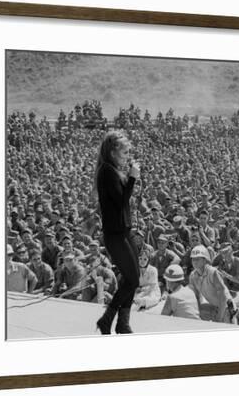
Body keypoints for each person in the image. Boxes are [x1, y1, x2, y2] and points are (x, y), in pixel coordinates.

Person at [94, 131, 141, 334]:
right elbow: (122, 200)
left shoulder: (113, 170)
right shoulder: (106, 171)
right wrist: (132, 178)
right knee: (132, 279)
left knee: (132, 278)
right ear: (113, 151)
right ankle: (108, 318)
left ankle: (123, 323)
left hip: (124, 231)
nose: (127, 155)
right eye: (124, 151)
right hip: (115, 234)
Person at [188, 245, 235, 323]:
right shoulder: (193, 276)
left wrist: (219, 317)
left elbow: (223, 297)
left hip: (225, 307)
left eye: (197, 259)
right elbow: (196, 297)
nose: (194, 261)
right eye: (193, 259)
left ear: (204, 260)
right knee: (195, 312)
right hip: (213, 305)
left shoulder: (213, 273)